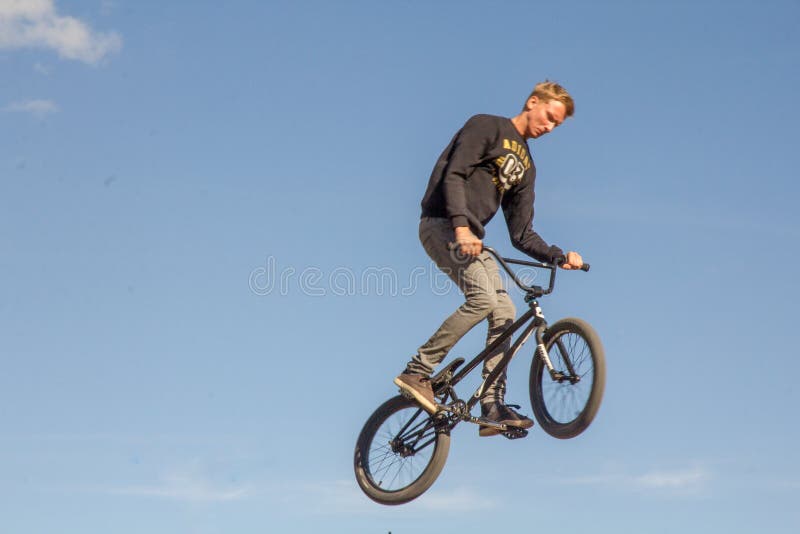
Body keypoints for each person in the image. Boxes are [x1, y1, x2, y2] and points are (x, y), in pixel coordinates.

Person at [394, 81, 584, 437]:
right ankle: (417, 371)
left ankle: (492, 403)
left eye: (556, 125)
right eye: (549, 117)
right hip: (442, 224)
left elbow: (521, 234)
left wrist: (558, 256)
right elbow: (454, 173)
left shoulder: (527, 168)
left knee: (506, 311)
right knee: (483, 299)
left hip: (472, 240)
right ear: (532, 102)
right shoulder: (488, 126)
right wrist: (462, 226)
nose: (549, 127)